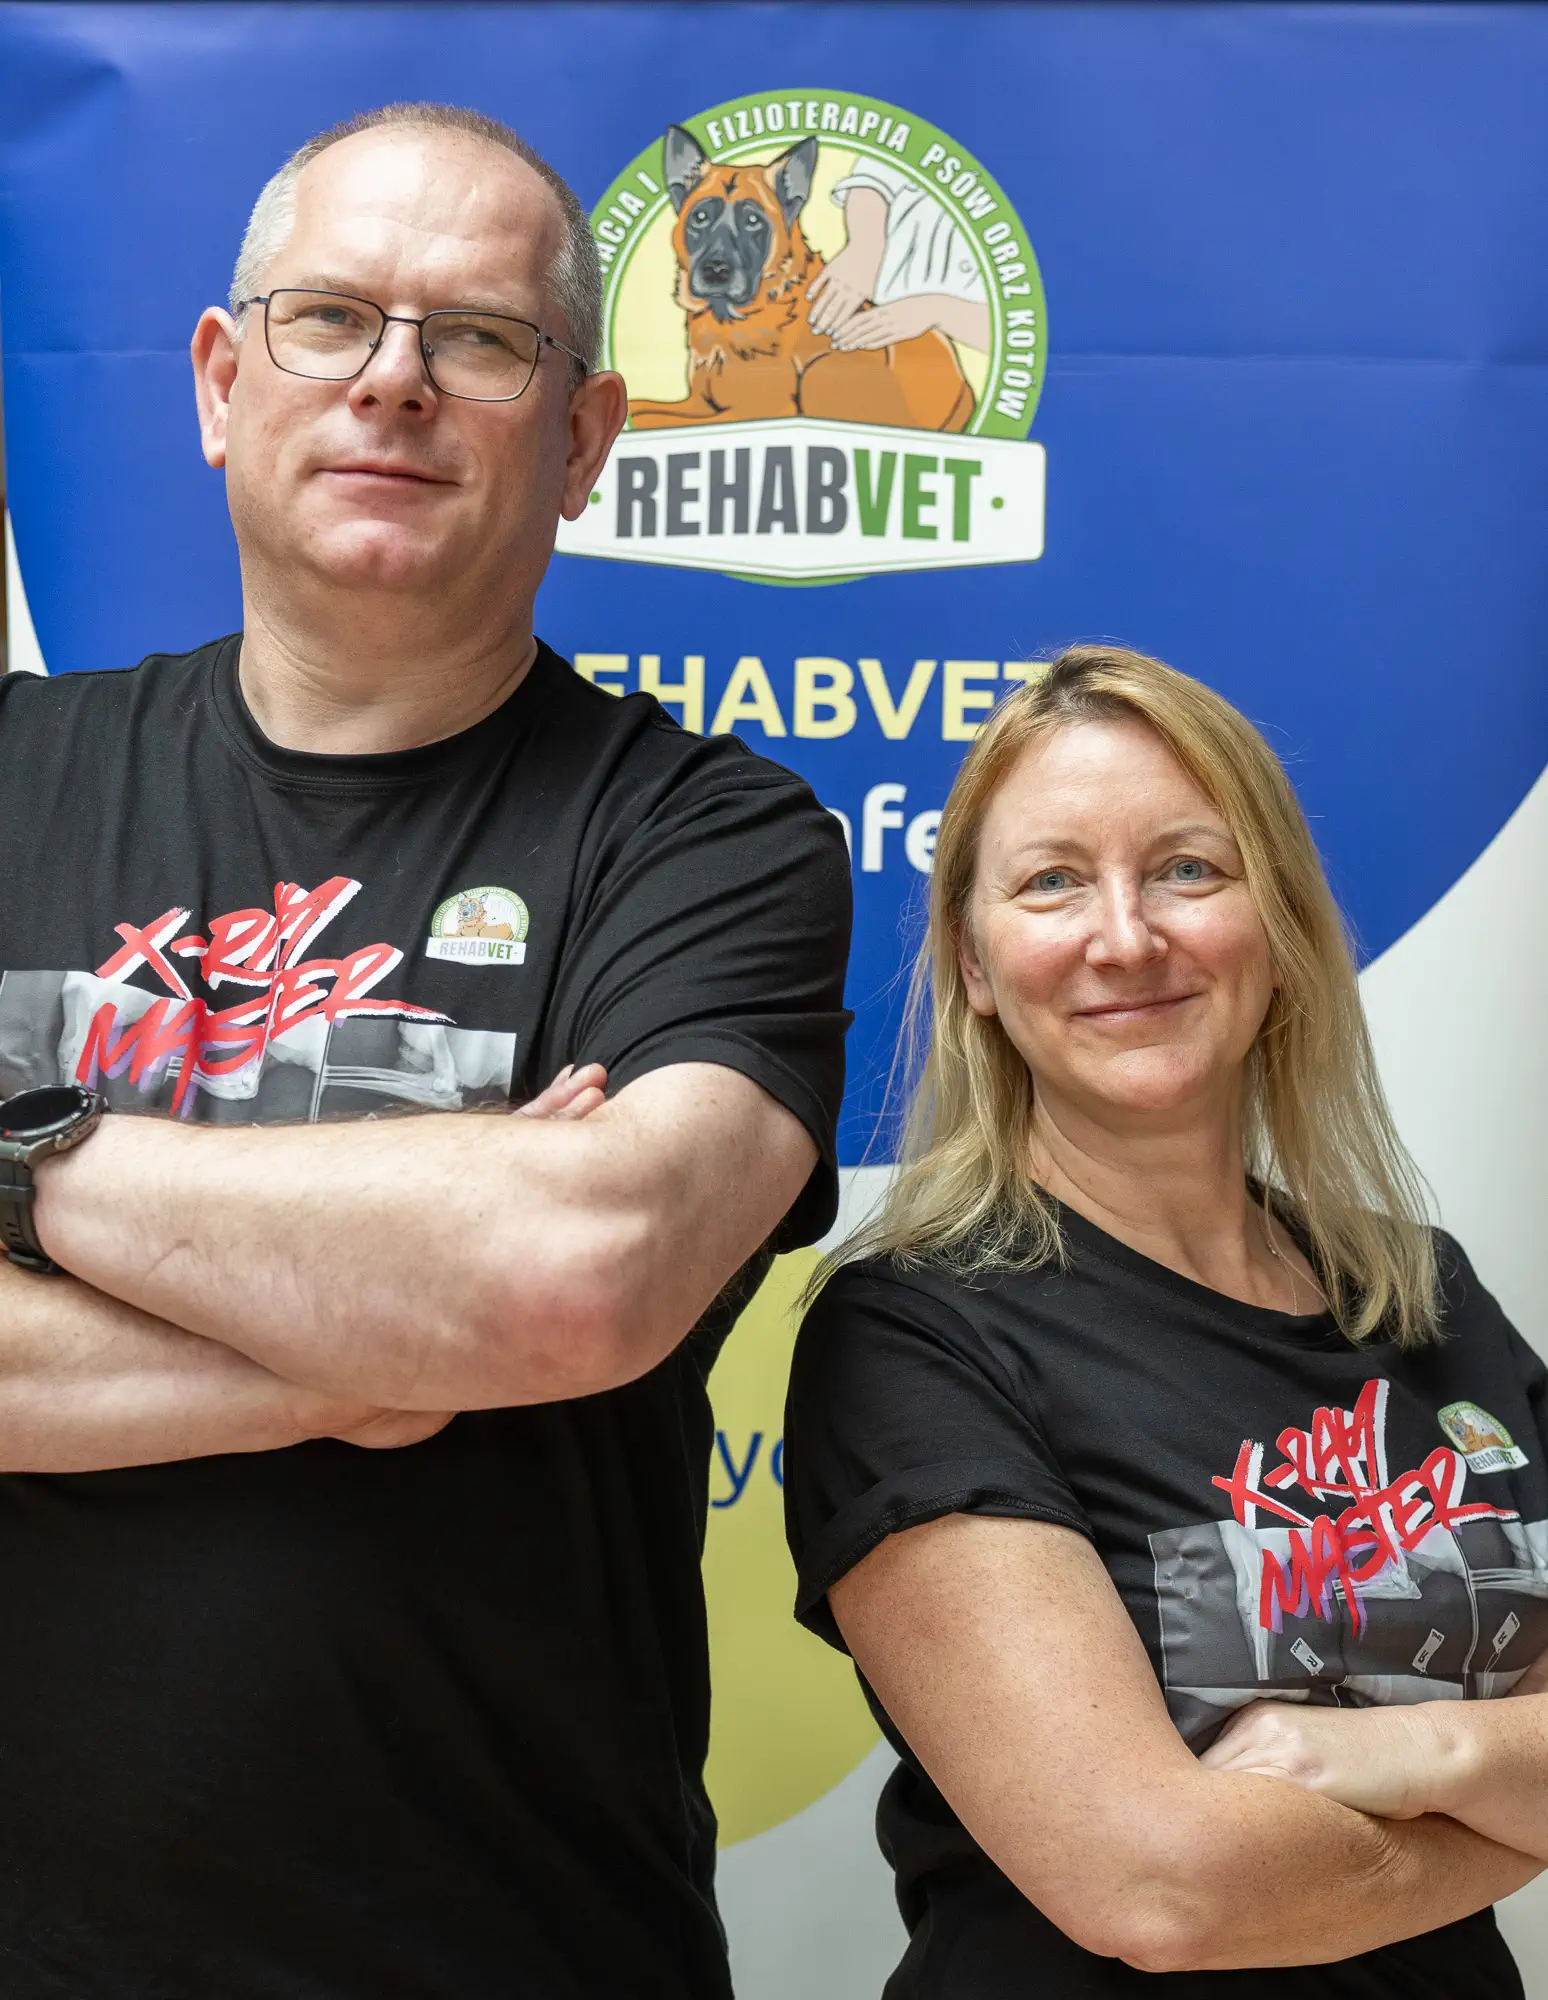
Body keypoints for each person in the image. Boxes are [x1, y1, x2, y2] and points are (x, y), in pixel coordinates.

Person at [0, 102, 851, 1999]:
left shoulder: (709, 841)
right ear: (221, 382)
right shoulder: (9, 774)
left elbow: (571, 1273)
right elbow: (483, 1291)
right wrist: (354, 1359)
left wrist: (23, 1154)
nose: (392, 380)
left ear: (583, 438)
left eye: (476, 338)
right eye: (330, 318)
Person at [783, 644, 1548, 1996]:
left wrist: (1417, 1752)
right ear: (973, 962)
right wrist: (1519, 1807)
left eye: (1188, 868)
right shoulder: (915, 1335)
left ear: (1282, 928)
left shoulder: (1422, 1290)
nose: (1126, 937)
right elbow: (1160, 1888)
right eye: (1052, 881)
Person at [806, 157, 991, 357]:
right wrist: (865, 245)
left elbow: (1012, 332)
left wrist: (938, 311)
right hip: (864, 300)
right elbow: (878, 167)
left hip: (941, 346)